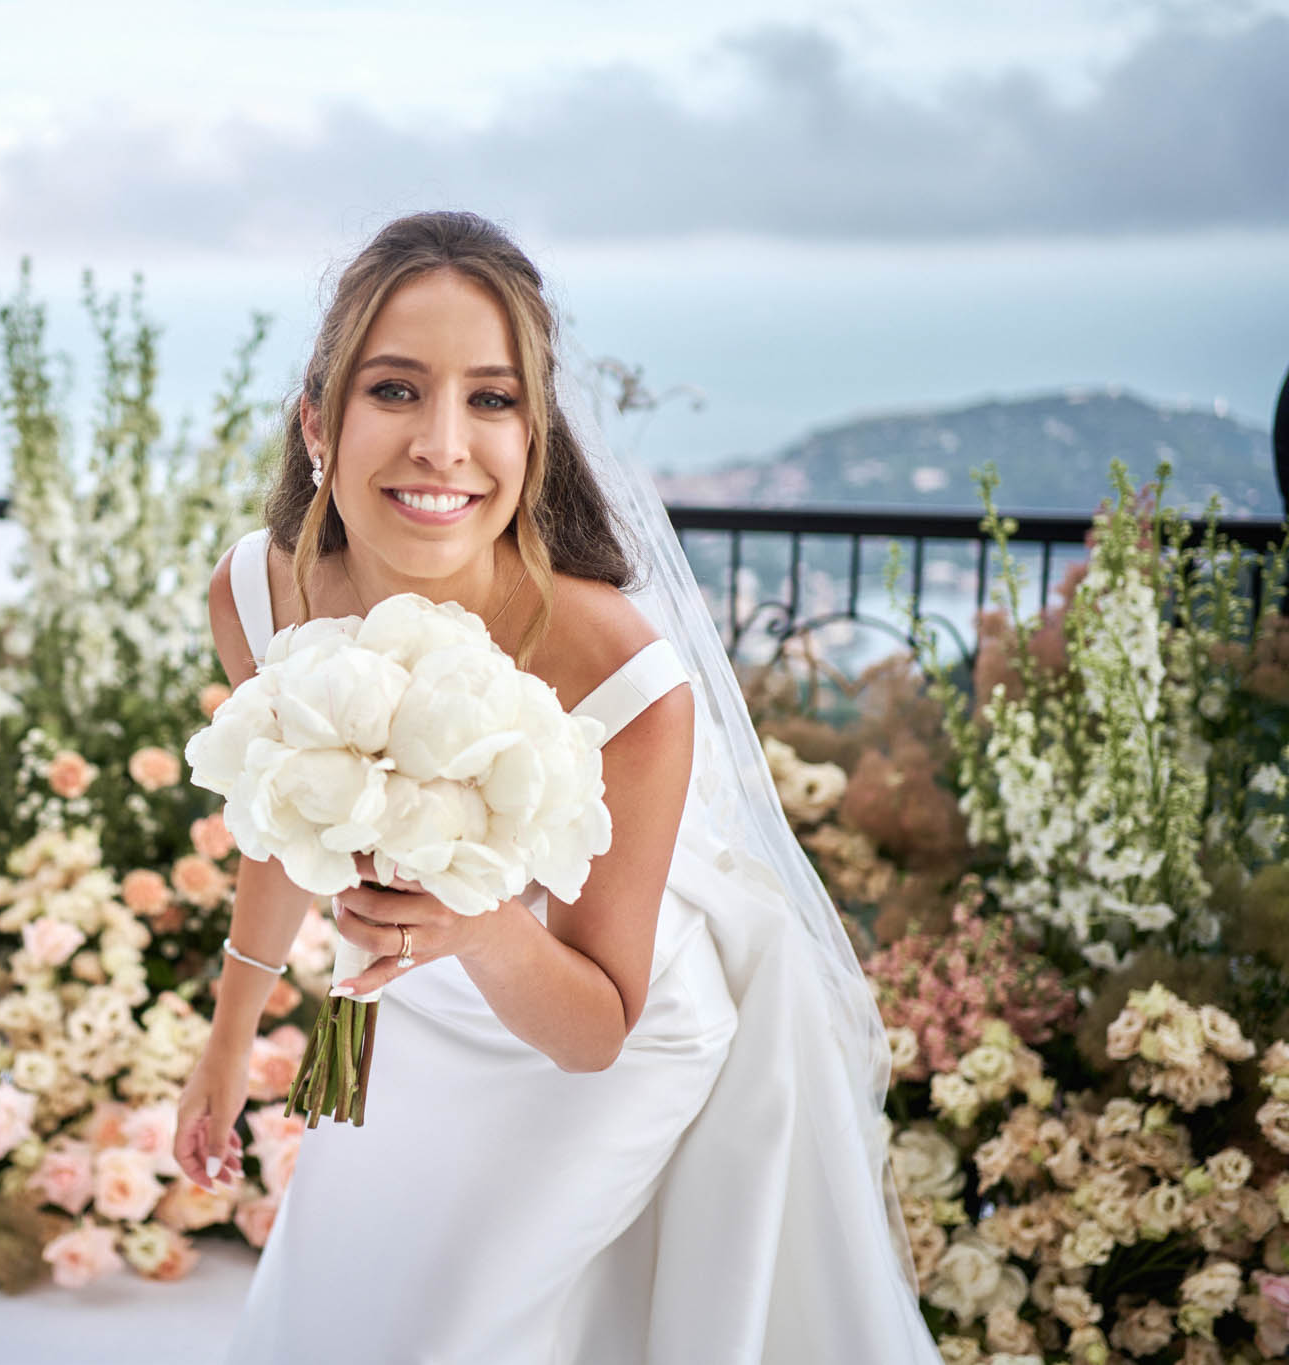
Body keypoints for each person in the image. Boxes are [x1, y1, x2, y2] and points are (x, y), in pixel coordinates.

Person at [172, 211, 940, 1363]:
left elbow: (596, 1033)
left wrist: (473, 926)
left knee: (457, 1331)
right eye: (394, 390)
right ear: (317, 422)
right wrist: (228, 1043)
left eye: (490, 399)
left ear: (533, 437)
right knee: (340, 1314)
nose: (441, 444)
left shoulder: (622, 677)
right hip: (400, 1008)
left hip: (598, 1029)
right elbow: (290, 822)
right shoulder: (260, 595)